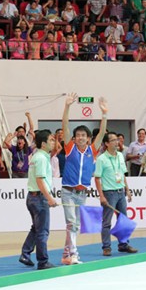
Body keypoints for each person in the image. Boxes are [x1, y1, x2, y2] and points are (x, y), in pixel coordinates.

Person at [60, 93, 108, 265]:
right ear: (74, 138)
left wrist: (104, 114)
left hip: (82, 194)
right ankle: (73, 254)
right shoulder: (69, 148)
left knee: (75, 225)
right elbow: (65, 126)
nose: (80, 137)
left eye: (83, 135)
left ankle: (66, 255)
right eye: (78, 135)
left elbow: (101, 133)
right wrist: (67, 106)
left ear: (88, 138)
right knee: (71, 223)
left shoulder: (92, 151)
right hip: (68, 192)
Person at [19, 130, 59, 270]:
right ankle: (43, 261)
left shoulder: (39, 156)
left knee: (36, 228)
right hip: (39, 198)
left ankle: (25, 253)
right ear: (43, 144)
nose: (53, 142)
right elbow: (40, 180)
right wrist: (49, 198)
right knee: (43, 231)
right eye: (51, 140)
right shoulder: (41, 158)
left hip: (33, 197)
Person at [94, 132, 138, 256]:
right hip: (109, 193)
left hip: (120, 191)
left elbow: (122, 174)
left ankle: (123, 244)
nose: (116, 142)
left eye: (117, 139)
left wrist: (127, 189)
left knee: (123, 220)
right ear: (106, 143)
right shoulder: (101, 159)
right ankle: (106, 247)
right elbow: (97, 178)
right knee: (107, 222)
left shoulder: (120, 155)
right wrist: (101, 196)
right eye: (113, 140)